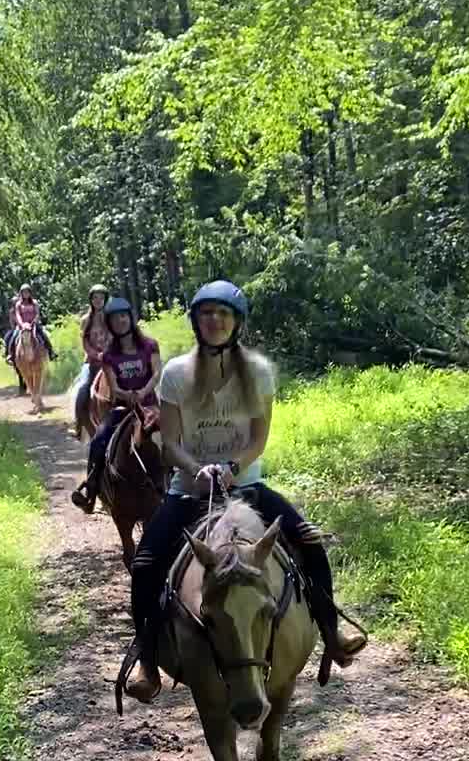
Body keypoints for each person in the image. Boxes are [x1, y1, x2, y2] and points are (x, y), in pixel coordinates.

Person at [124, 279, 367, 704]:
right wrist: (196, 470)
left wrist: (234, 468)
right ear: (196, 322)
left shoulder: (257, 372)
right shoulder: (176, 375)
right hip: (189, 490)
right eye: (206, 314)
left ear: (236, 322)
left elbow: (258, 438)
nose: (214, 321)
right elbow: (171, 442)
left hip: (248, 485)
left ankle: (331, 630)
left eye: (223, 314)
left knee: (309, 541)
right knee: (145, 564)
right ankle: (146, 661)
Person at [71, 296, 161, 514]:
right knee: (99, 441)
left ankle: (185, 486)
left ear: (131, 318)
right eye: (115, 318)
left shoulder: (150, 345)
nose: (120, 321)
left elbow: (157, 373)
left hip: (150, 407)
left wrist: (141, 392)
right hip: (122, 410)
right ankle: (91, 491)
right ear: (110, 324)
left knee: (174, 437)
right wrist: (126, 395)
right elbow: (113, 386)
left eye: (123, 316)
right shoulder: (110, 355)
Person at [72, 284, 110, 435]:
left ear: (106, 299)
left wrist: (108, 353)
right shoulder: (85, 320)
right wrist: (96, 354)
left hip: (111, 360)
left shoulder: (112, 317)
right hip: (92, 362)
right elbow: (85, 343)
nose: (98, 300)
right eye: (95, 297)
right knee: (83, 388)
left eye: (101, 297)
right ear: (91, 300)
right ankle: (78, 424)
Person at [4, 283, 57, 366]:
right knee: (14, 336)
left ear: (30, 293)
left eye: (27, 292)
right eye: (24, 292)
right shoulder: (18, 304)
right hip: (22, 326)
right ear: (21, 293)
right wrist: (22, 324)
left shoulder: (34, 302)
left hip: (33, 325)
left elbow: (37, 314)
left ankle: (51, 352)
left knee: (43, 335)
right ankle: (10, 355)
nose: (26, 294)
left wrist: (33, 322)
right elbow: (18, 315)